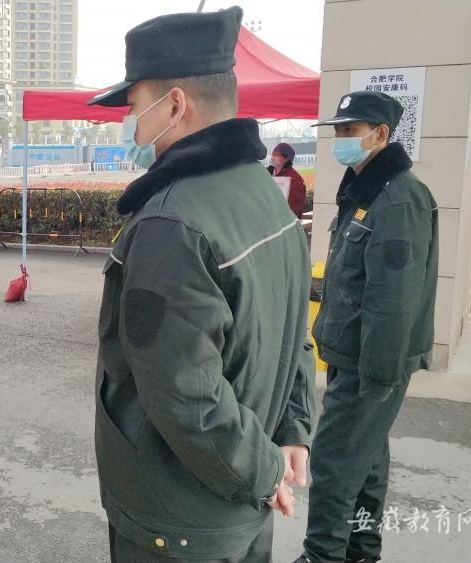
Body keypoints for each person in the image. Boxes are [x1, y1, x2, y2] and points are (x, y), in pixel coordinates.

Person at [87, 8, 314, 562]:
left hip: (181, 512)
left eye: (136, 107)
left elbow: (186, 393)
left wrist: (263, 471)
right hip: (240, 499)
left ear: (175, 105)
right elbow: (297, 333)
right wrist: (292, 431)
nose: (131, 124)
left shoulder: (171, 223)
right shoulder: (265, 195)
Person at [293, 92, 438, 563]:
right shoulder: (365, 192)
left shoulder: (397, 199)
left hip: (370, 363)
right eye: (337, 131)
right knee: (367, 463)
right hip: (349, 354)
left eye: (350, 131)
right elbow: (353, 277)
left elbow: (393, 299)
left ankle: (322, 556)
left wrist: (378, 377)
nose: (341, 139)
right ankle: (361, 552)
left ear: (380, 134)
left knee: (335, 464)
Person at [267, 143, 307, 219]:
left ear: (286, 158)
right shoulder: (268, 173)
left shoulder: (295, 179)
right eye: (272, 154)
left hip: (285, 221)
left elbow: (294, 208)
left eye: (276, 155)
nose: (272, 157)